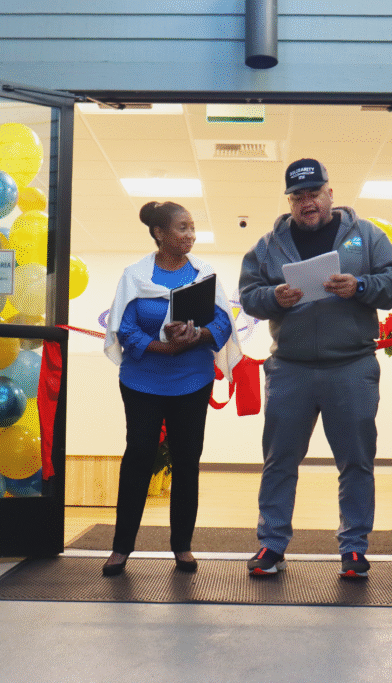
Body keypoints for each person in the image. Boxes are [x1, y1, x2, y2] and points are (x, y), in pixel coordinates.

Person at [239, 159, 392, 579]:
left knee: (356, 461)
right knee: (279, 461)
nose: (307, 203)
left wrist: (362, 286)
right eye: (298, 197)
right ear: (290, 203)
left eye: (314, 193)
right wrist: (273, 297)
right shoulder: (267, 246)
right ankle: (271, 545)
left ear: (331, 194)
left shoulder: (366, 235)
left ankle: (354, 548)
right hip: (290, 369)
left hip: (351, 366)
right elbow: (248, 294)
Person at [101, 201, 241, 576]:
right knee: (139, 458)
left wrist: (197, 336)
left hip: (192, 380)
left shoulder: (204, 273)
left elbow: (224, 324)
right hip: (142, 381)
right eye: (182, 228)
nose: (190, 235)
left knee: (186, 462)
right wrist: (162, 345)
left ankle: (182, 546)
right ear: (159, 233)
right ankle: (120, 548)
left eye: (193, 228)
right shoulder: (135, 275)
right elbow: (125, 327)